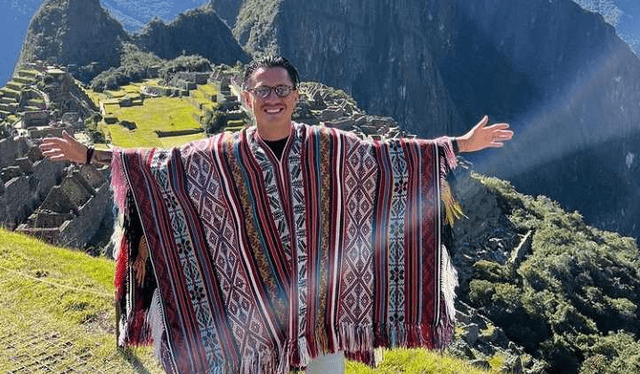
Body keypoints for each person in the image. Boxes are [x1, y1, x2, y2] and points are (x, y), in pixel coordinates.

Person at [40, 56, 513, 374]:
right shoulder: (219, 155)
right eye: (262, 90)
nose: (273, 98)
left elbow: (389, 156)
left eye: (282, 89)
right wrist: (88, 156)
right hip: (251, 313)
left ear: (296, 95)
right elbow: (159, 166)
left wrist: (458, 145)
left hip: (323, 314)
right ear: (247, 97)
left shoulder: (328, 145)